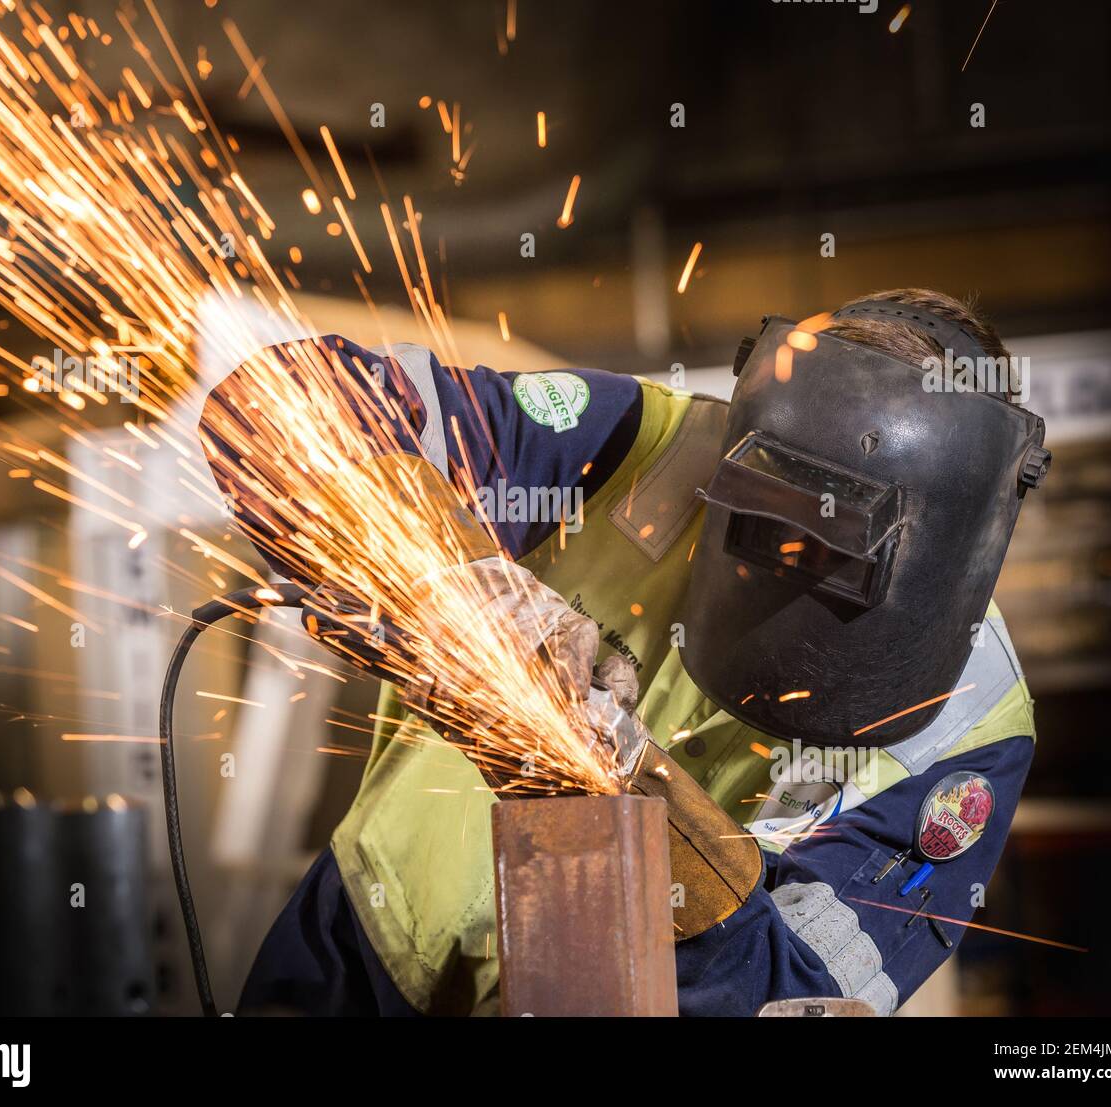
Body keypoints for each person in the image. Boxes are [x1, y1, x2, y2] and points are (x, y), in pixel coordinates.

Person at [199, 287, 1051, 1016]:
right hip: (366, 938)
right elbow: (282, 405)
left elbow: (786, 992)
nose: (795, 559)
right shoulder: (646, 448)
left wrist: (629, 798)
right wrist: (449, 571)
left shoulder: (968, 733)